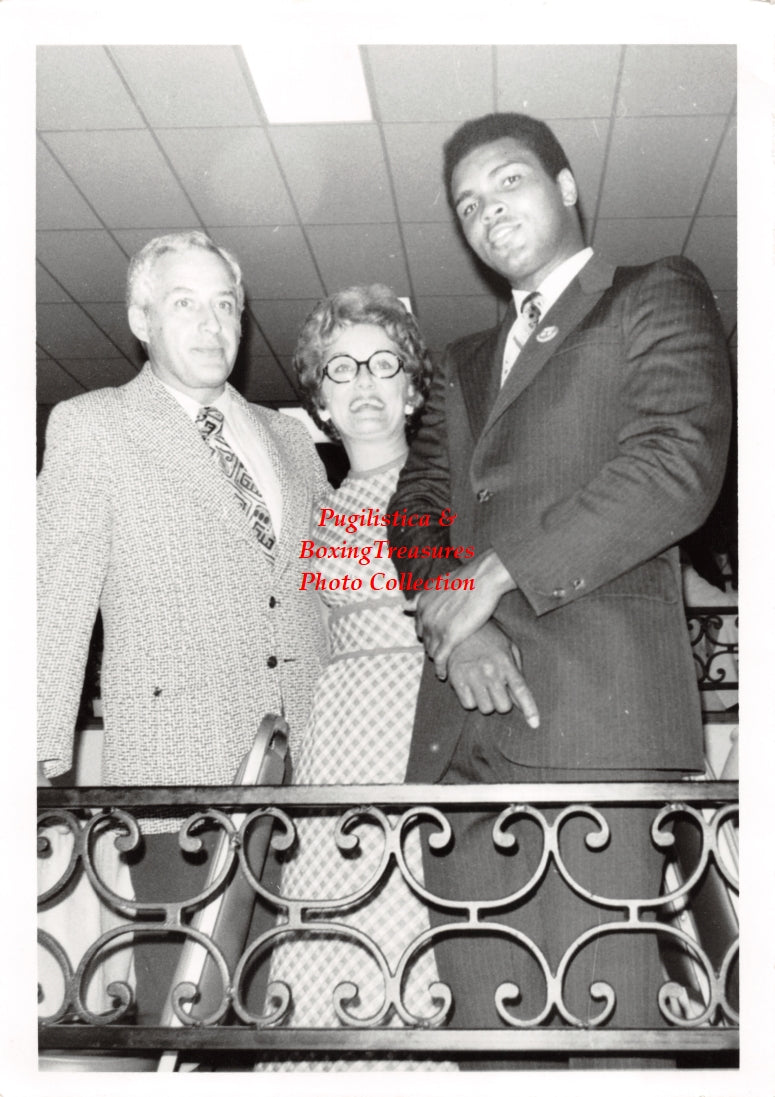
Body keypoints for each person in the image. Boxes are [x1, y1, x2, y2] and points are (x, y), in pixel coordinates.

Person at [388, 113, 733, 1068]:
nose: (486, 211)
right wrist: (459, 632)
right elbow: (413, 515)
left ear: (567, 186)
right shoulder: (456, 360)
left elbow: (677, 463)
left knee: (609, 1026)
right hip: (459, 729)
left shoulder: (655, 292)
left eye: (507, 183)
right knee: (487, 1039)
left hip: (597, 724)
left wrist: (493, 576)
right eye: (467, 204)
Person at [37, 230, 328, 1025]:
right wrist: (30, 752)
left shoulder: (290, 436)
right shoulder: (93, 426)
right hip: (177, 772)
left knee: (287, 999)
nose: (211, 324)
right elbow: (53, 593)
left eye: (225, 304)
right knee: (183, 1008)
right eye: (184, 303)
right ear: (140, 319)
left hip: (309, 774)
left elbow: (325, 586)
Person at [255, 285, 454, 1072]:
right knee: (330, 917)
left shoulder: (449, 493)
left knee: (416, 918)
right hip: (336, 732)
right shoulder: (315, 508)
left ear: (410, 390)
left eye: (383, 364)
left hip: (420, 716)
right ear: (321, 400)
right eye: (341, 369)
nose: (364, 383)